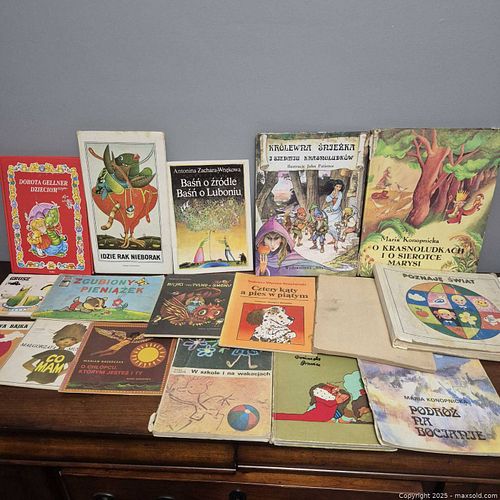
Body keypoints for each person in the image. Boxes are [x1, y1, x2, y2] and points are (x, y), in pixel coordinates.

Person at [255, 217, 329, 276]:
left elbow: (314, 270)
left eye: (276, 238)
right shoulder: (257, 256)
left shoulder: (291, 255)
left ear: (282, 239)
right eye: (269, 238)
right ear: (262, 239)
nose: (272, 244)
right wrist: (262, 270)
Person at [322, 180, 344, 250]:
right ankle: (333, 238)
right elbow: (327, 200)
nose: (338, 188)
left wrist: (334, 209)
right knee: (328, 225)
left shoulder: (340, 194)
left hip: (336, 210)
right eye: (337, 186)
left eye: (340, 187)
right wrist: (332, 195)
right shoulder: (332, 192)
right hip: (330, 209)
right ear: (334, 186)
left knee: (335, 226)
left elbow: (338, 202)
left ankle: (336, 241)